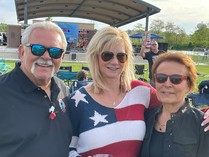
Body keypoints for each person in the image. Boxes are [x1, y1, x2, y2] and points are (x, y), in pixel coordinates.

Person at [66, 26, 161, 157]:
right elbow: (67, 147)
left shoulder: (142, 91)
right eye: (107, 55)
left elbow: (174, 107)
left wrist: (199, 118)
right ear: (95, 56)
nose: (115, 62)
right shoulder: (77, 100)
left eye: (121, 56)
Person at [0, 21, 72, 157]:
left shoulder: (62, 88)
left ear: (62, 57)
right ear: (21, 51)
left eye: (55, 52)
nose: (46, 56)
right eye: (37, 49)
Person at [139, 52, 209, 157]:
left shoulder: (203, 124)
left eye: (176, 79)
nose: (167, 84)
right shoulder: (145, 118)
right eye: (161, 78)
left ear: (189, 86)